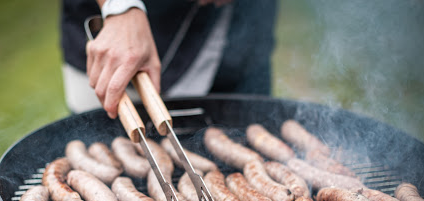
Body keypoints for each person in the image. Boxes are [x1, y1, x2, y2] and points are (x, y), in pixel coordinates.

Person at [61, 0, 277, 117]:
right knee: (100, 146)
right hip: (118, 41)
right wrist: (119, 5)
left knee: (252, 136)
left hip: (245, 37)